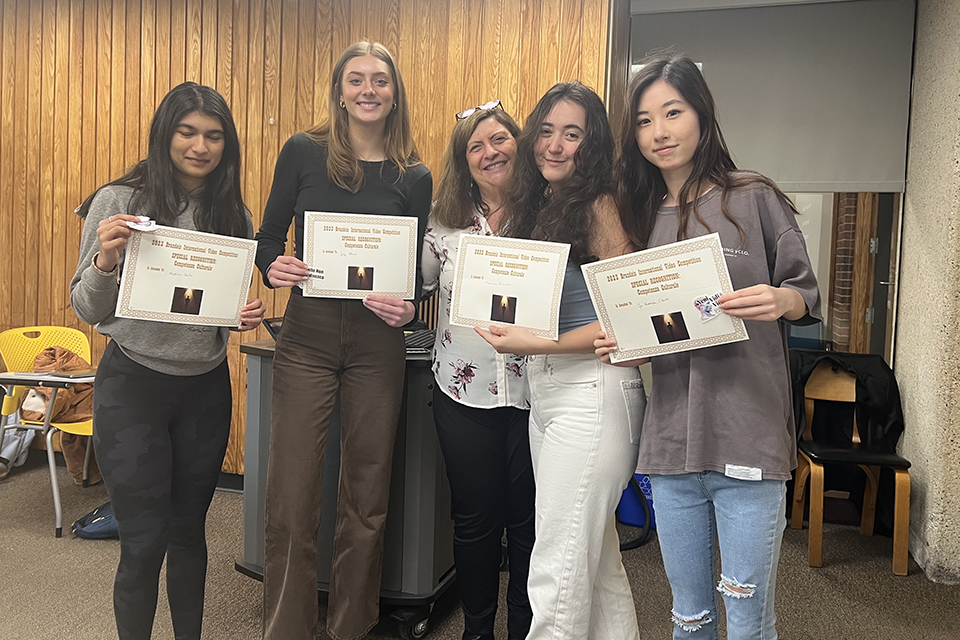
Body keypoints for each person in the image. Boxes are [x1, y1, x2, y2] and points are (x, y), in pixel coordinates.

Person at [599, 51, 822, 639]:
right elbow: (650, 328)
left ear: (701, 114)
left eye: (672, 113)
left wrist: (781, 300)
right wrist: (627, 344)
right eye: (644, 121)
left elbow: (806, 293)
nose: (659, 132)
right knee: (689, 616)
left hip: (748, 437)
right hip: (671, 445)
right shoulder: (639, 217)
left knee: (748, 620)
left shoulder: (753, 197)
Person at [70, 82, 264, 640]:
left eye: (213, 135)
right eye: (187, 132)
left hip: (204, 389)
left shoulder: (235, 215)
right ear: (165, 134)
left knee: (188, 535)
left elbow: (209, 309)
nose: (199, 146)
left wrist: (236, 315)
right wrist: (106, 260)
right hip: (133, 387)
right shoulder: (117, 201)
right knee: (142, 542)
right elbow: (86, 306)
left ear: (226, 144)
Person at [254, 40, 432, 640]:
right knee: (293, 491)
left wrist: (409, 308)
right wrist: (271, 267)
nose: (368, 90)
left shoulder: (415, 175)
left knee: (367, 490)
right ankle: (285, 628)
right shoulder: (303, 152)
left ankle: (352, 625)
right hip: (306, 335)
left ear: (394, 93)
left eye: (380, 80)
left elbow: (413, 277)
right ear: (339, 90)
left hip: (378, 342)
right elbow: (267, 238)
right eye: (356, 79)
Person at [476, 81, 642, 640]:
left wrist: (531, 344)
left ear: (591, 144)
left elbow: (626, 319)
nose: (554, 144)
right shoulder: (544, 205)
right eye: (546, 131)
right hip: (548, 395)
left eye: (572, 134)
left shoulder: (600, 205)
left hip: (594, 395)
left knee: (556, 568)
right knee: (595, 564)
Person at [422, 102, 535, 640]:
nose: (490, 152)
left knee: (529, 522)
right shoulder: (442, 222)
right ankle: (477, 630)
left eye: (499, 139)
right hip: (462, 393)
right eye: (476, 146)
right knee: (474, 522)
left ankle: (523, 627)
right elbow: (412, 282)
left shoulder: (549, 212)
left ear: (519, 142)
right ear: (463, 162)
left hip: (539, 392)